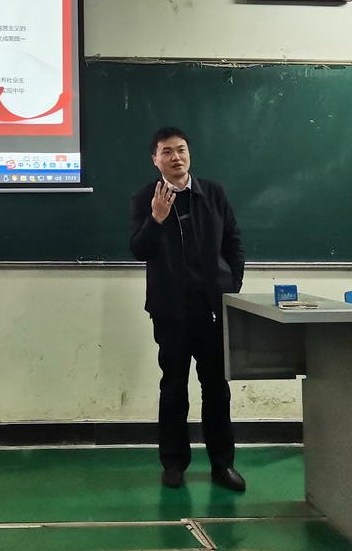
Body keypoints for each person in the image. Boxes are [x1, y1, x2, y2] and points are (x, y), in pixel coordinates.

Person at [129, 127, 246, 492]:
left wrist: (230, 287)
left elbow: (233, 244)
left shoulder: (213, 193)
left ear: (188, 154)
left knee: (216, 389)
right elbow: (139, 249)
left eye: (180, 150)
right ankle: (174, 464)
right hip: (170, 311)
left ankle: (222, 465)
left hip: (212, 309)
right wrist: (156, 217)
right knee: (174, 390)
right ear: (155, 159)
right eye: (167, 152)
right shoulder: (145, 198)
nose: (175, 157)